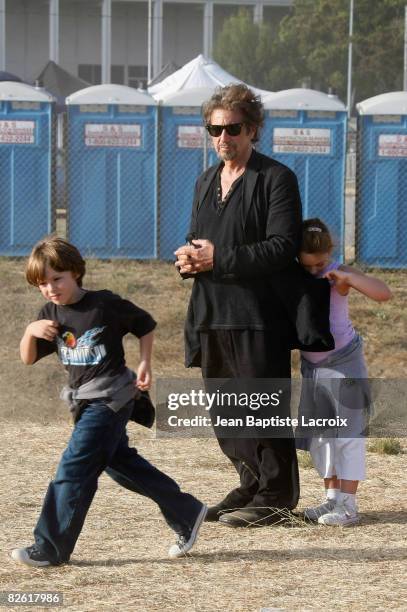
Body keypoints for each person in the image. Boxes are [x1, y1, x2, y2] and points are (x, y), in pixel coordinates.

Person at [174, 83, 326, 528]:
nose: (224, 137)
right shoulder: (205, 180)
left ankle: (277, 496)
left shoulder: (275, 179)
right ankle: (251, 483)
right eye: (215, 129)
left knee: (261, 406)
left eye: (233, 128)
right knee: (226, 410)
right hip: (211, 311)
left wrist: (218, 257)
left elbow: (282, 246)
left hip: (258, 315)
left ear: (253, 129)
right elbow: (199, 238)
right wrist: (188, 260)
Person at [11, 236, 207, 567]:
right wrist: (30, 330)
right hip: (84, 402)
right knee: (121, 465)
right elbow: (28, 358)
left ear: (75, 272)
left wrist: (145, 363)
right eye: (42, 284)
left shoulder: (103, 304)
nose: (50, 289)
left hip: (113, 398)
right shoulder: (49, 313)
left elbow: (145, 324)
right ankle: (187, 511)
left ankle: (50, 547)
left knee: (73, 467)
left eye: (57, 279)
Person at [297, 218, 391, 526]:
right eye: (307, 266)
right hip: (313, 367)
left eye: (319, 264)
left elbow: (383, 293)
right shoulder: (295, 276)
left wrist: (345, 276)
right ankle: (332, 500)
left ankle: (349, 506)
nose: (314, 272)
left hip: (344, 363)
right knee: (323, 436)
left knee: (348, 435)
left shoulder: (339, 272)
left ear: (330, 252)